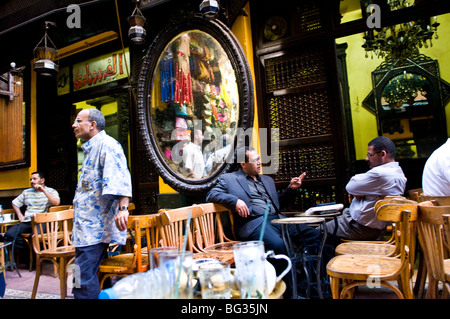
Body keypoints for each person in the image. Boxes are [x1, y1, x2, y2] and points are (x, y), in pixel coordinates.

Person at [206, 146, 321, 270]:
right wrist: (235, 201)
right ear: (243, 164)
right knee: (278, 245)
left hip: (278, 220)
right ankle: (287, 286)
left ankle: (312, 280)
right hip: (255, 223)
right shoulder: (230, 179)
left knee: (315, 235)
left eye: (259, 159)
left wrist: (291, 189)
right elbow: (211, 194)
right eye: (255, 160)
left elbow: (277, 205)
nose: (259, 162)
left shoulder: (268, 180)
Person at [71, 108, 132, 299]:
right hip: (85, 228)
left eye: (78, 120)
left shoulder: (108, 146)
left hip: (95, 229)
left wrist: (123, 208)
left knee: (81, 278)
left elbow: (121, 178)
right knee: (82, 276)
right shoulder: (90, 148)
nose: (74, 125)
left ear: (92, 125)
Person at [325, 136, 407, 242]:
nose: (366, 158)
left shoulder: (380, 174)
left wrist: (360, 190)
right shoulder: (398, 173)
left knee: (316, 232)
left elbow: (350, 186)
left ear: (383, 154)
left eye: (369, 155)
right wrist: (362, 190)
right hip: (374, 228)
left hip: (358, 227)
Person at [4, 172, 60, 249]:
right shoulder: (27, 192)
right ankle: (27, 249)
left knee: (34, 237)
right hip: (27, 221)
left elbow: (56, 202)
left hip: (41, 221)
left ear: (42, 180)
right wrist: (20, 215)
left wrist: (43, 191)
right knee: (9, 234)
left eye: (34, 179)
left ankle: (34, 254)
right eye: (31, 179)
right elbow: (14, 203)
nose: (32, 181)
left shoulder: (51, 191)